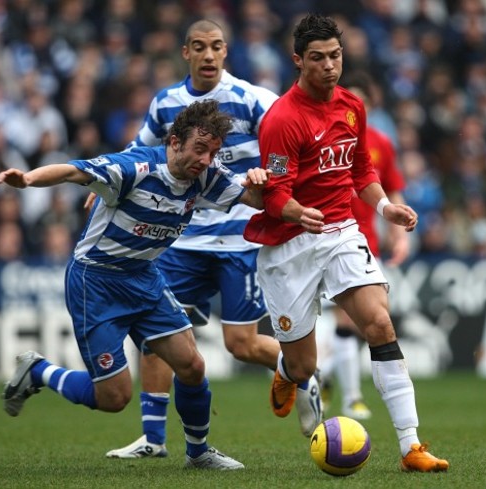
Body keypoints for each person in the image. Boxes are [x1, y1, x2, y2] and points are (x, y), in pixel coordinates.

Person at [0, 100, 271, 470]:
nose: (207, 160)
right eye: (199, 150)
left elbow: (254, 199)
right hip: (95, 282)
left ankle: (199, 452)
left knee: (191, 365)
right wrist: (28, 179)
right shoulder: (134, 168)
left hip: (143, 277)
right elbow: (72, 171)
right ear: (174, 142)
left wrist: (261, 178)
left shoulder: (203, 175)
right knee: (114, 397)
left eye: (213, 153)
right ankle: (38, 371)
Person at [105, 19, 322, 460]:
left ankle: (300, 374)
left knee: (239, 345)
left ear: (226, 52)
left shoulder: (253, 98)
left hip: (238, 238)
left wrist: (270, 172)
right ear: (185, 52)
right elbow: (137, 149)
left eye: (216, 46)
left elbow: (293, 140)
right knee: (156, 337)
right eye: (199, 47)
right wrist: (102, 185)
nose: (208, 55)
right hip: (181, 238)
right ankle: (153, 440)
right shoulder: (166, 103)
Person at [243, 14, 449, 472]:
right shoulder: (282, 119)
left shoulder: (353, 106)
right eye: (318, 59)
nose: (329, 67)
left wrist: (384, 208)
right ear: (298, 61)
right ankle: (286, 372)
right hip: (289, 245)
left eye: (335, 56)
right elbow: (273, 193)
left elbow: (361, 172)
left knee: (378, 323)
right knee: (304, 364)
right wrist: (298, 211)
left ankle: (411, 447)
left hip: (339, 232)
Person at [318, 72, 410, 421]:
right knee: (353, 322)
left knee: (361, 321)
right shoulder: (324, 136)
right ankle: (351, 397)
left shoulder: (381, 144)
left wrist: (398, 233)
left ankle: (331, 379)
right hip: (324, 234)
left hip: (363, 237)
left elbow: (392, 186)